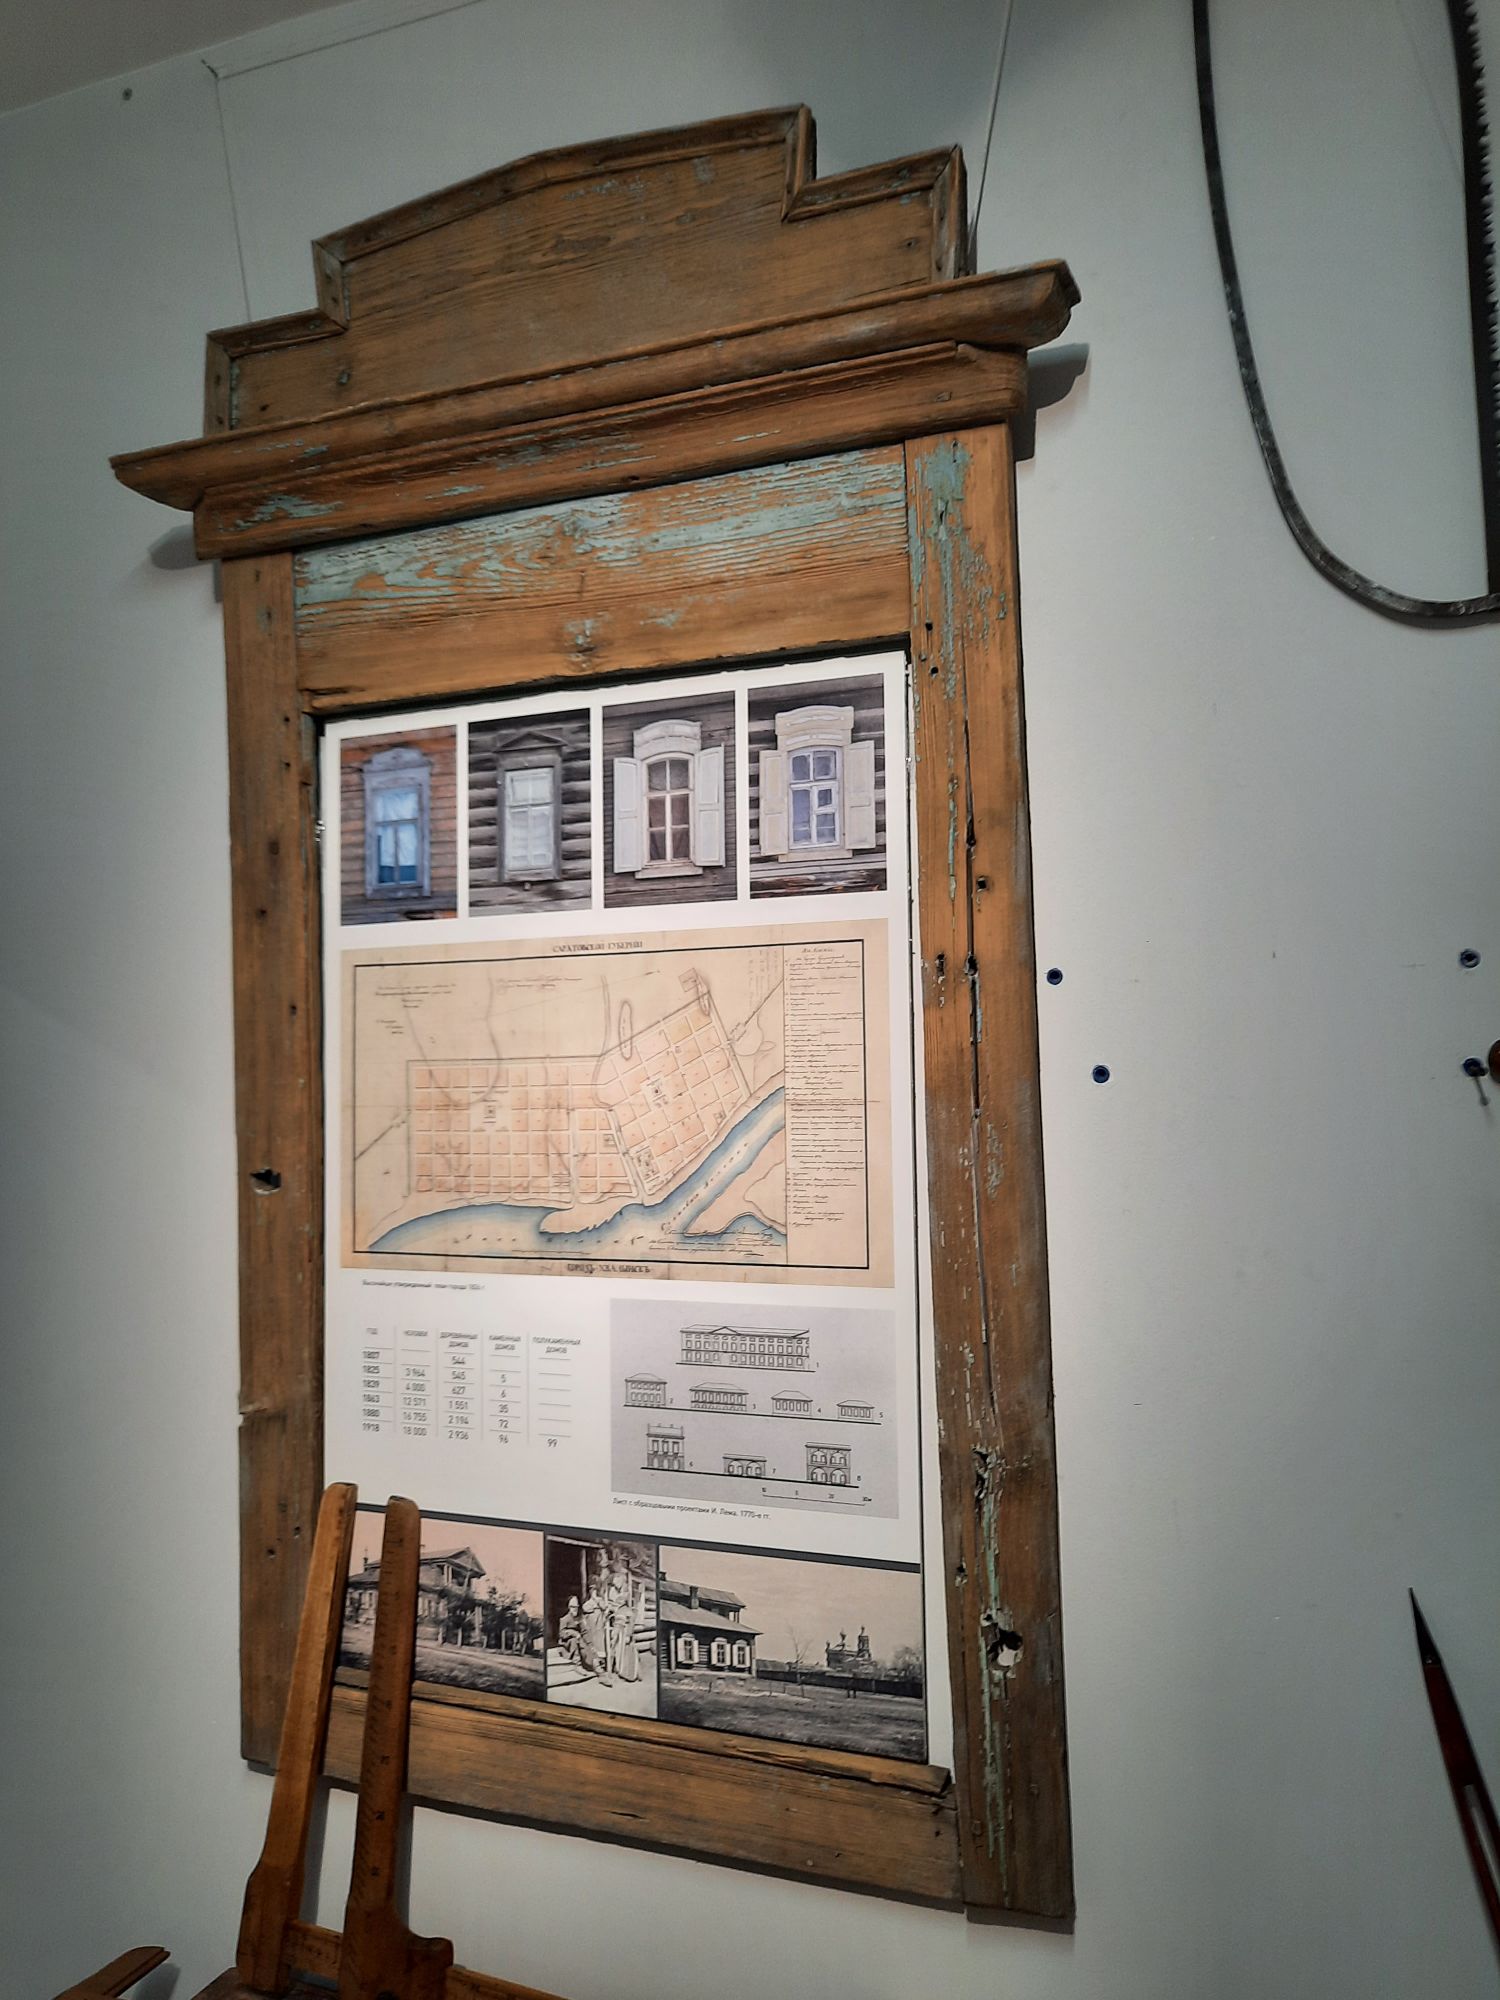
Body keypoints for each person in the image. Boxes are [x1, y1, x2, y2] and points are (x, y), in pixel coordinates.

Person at [607, 1569, 640, 1683]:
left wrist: (628, 1634)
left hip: (624, 1628)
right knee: (616, 1648)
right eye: (614, 1582)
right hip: (618, 1625)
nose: (615, 1584)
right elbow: (613, 1605)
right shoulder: (613, 1592)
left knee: (626, 1649)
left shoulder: (625, 1594)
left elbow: (630, 1620)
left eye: (617, 1581)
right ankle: (617, 1668)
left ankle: (628, 1671)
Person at [580, 1572, 610, 1681]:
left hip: (599, 1625)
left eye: (594, 1589)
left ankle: (601, 1664)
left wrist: (597, 1600)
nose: (593, 1591)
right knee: (591, 1642)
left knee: (599, 1642)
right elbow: (585, 1608)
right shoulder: (587, 1602)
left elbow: (604, 1607)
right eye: (591, 1589)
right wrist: (593, 1602)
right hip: (591, 1624)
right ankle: (593, 1665)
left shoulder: (600, 1600)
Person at [557, 1594, 582, 1665]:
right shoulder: (565, 1619)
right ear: (569, 1607)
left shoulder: (580, 1618)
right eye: (573, 1607)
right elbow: (561, 1633)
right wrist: (573, 1633)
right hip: (567, 1643)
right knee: (574, 1641)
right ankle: (577, 1661)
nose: (575, 1609)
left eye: (576, 1607)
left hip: (579, 1640)